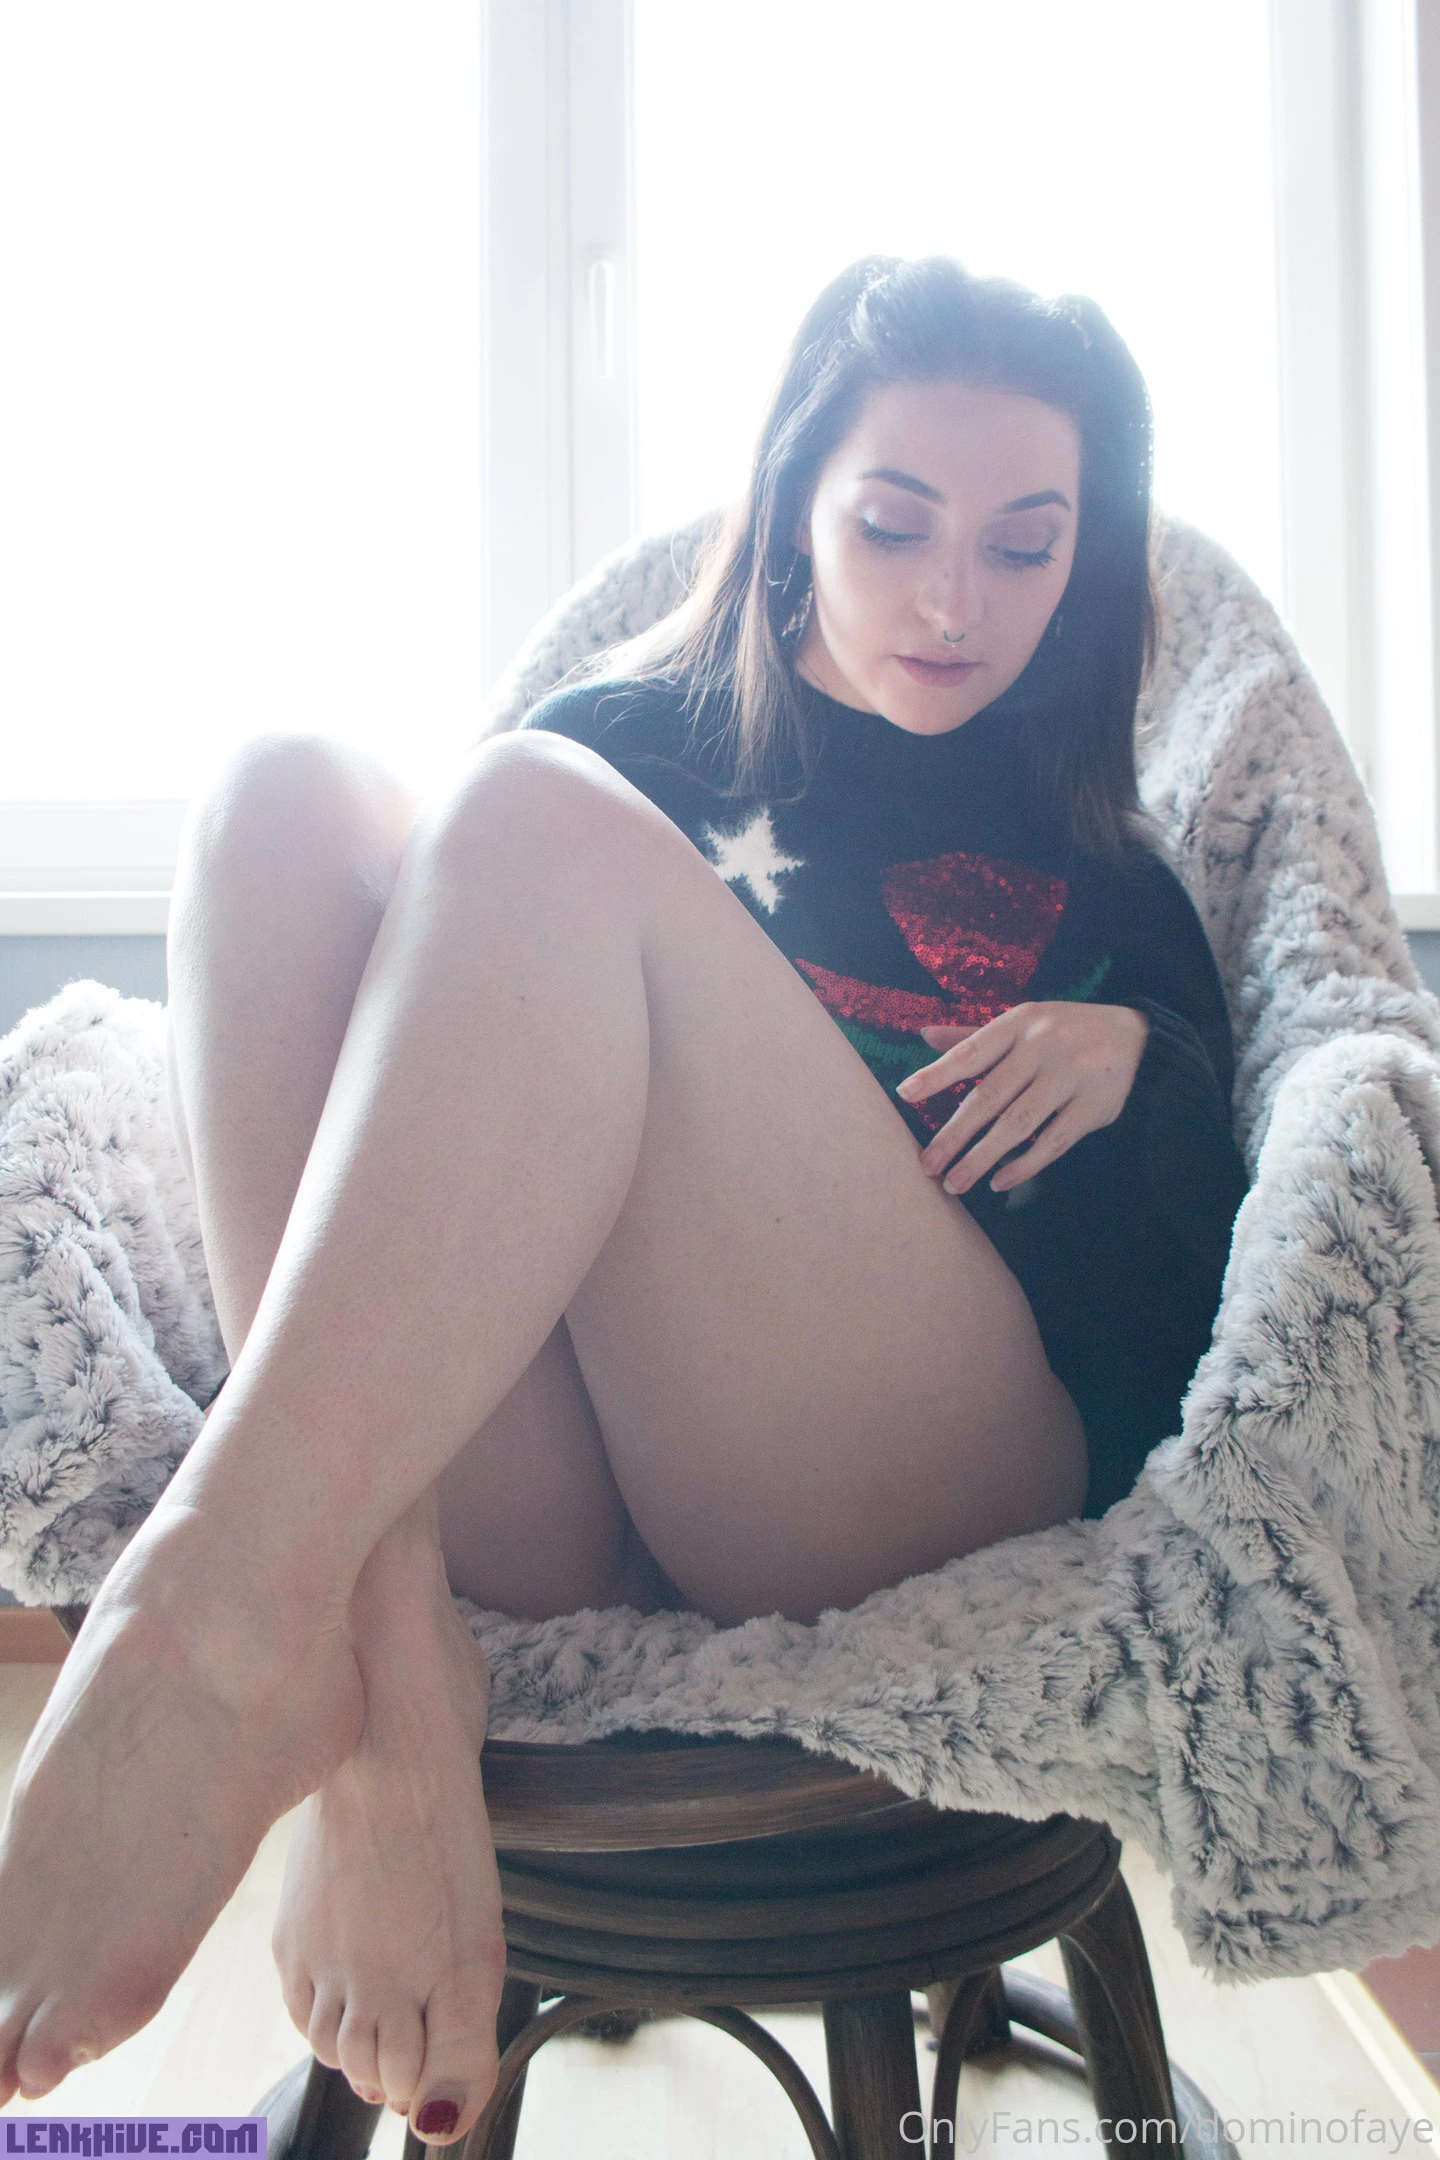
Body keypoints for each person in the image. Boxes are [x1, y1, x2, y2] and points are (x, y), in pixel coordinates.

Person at [0, 256, 1247, 2142]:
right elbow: (418, 1129)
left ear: (1084, 561)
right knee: (281, 791)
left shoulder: (1100, 861)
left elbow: (1228, 1301)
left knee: (524, 808)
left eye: (1024, 546)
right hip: (579, 1488)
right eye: (895, 523)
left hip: (912, 1483)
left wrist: (1147, 1058)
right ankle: (380, 1680)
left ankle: (213, 1608)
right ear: (794, 507)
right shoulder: (627, 743)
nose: (951, 599)